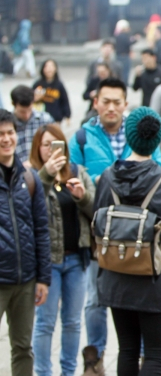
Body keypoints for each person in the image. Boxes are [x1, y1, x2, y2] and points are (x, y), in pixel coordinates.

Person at [69, 78, 161, 374]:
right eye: (105, 101)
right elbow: (72, 176)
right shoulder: (82, 137)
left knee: (139, 305)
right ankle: (95, 358)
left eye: (117, 102)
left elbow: (159, 170)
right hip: (99, 234)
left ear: (126, 103)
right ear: (95, 102)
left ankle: (143, 357)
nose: (111, 107)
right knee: (94, 300)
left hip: (139, 236)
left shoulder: (139, 130)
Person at [94, 107, 161, 376]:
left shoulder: (107, 178)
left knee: (127, 350)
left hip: (115, 276)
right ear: (157, 139)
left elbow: (97, 221)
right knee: (156, 355)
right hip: (155, 281)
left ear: (128, 135)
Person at [30, 124, 95, 376]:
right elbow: (32, 209)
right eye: (46, 145)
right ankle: (43, 372)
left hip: (76, 259)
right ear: (38, 148)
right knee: (45, 323)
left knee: (72, 322)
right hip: (47, 263)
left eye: (55, 144)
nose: (51, 150)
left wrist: (82, 196)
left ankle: (68, 371)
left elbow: (94, 211)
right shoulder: (32, 176)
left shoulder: (78, 172)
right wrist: (46, 174)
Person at [0, 108, 51, 376]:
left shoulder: (28, 178)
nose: (6, 139)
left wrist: (43, 278)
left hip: (26, 280)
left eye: (10, 133)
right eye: (1, 134)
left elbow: (41, 229)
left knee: (22, 347)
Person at [12, 85, 55, 166]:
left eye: (29, 110)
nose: (27, 115)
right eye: (22, 112)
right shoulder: (8, 125)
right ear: (13, 104)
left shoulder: (45, 120)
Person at [32, 59, 71, 124]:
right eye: (46, 67)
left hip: (55, 118)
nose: (49, 69)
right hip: (40, 118)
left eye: (51, 67)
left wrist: (68, 115)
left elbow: (64, 100)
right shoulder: (38, 84)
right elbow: (29, 98)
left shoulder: (59, 84)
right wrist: (36, 98)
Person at [114, 19, 138, 84]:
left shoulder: (117, 36)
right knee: (125, 71)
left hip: (118, 56)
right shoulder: (124, 36)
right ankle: (124, 83)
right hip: (124, 56)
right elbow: (129, 43)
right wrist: (135, 39)